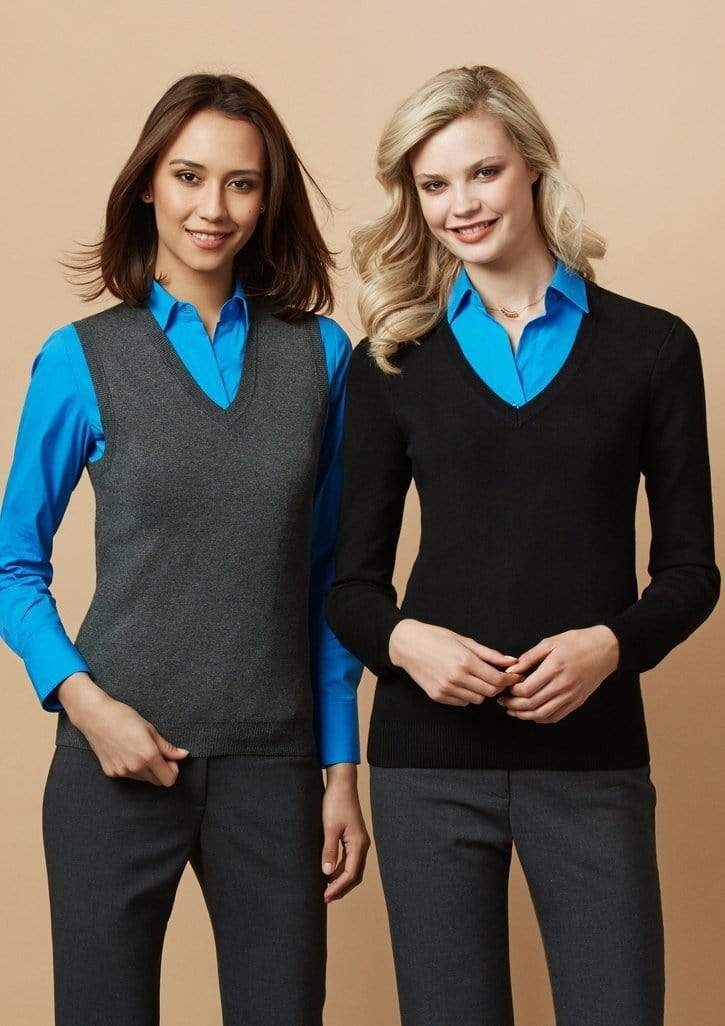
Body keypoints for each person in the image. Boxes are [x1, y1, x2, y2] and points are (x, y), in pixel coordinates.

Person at [326, 64, 719, 1026]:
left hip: (592, 761)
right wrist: (405, 643)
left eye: (482, 172)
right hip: (426, 764)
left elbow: (689, 572)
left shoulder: (652, 348)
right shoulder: (391, 360)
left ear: (532, 166)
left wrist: (609, 647)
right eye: (433, 185)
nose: (459, 205)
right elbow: (349, 588)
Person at [0, 72, 368, 1026]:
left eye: (241, 183)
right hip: (111, 767)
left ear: (268, 199)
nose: (213, 208)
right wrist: (88, 706)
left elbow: (332, 577)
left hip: (274, 769)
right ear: (147, 187)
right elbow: (12, 565)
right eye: (189, 176)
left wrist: (341, 772)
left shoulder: (322, 356)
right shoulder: (80, 358)